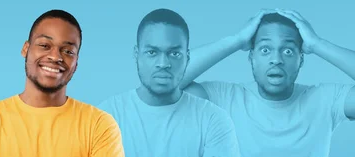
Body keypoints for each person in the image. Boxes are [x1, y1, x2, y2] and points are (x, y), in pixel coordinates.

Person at [182, 9, 355, 156]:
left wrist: (318, 44)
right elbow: (166, 81)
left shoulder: (326, 100)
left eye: (287, 50)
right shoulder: (223, 99)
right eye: (265, 49)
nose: (276, 59)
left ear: (300, 60)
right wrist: (235, 41)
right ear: (252, 57)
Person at [0, 9, 124, 157]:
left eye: (68, 51)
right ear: (26, 49)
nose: (55, 56)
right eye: (45, 45)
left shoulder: (99, 126)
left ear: (76, 62)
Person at [97, 8, 240, 157]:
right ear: (136, 54)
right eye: (152, 52)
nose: (163, 63)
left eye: (174, 53)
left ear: (187, 58)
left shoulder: (213, 120)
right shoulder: (107, 117)